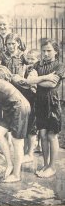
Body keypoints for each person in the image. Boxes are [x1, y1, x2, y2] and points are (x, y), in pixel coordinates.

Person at [20, 39, 65, 178]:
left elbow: (52, 84)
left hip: (52, 102)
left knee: (52, 135)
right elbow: (29, 80)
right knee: (43, 135)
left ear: (56, 51)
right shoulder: (37, 64)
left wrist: (37, 80)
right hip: (39, 102)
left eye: (49, 50)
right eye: (44, 50)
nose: (45, 53)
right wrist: (43, 78)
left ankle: (52, 167)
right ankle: (45, 165)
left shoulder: (60, 65)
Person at [14, 49, 40, 163]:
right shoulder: (25, 69)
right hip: (24, 100)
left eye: (32, 59)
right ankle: (24, 152)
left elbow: (34, 87)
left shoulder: (37, 70)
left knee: (32, 129)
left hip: (33, 102)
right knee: (24, 126)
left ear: (38, 60)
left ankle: (30, 153)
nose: (29, 61)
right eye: (28, 58)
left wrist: (23, 81)